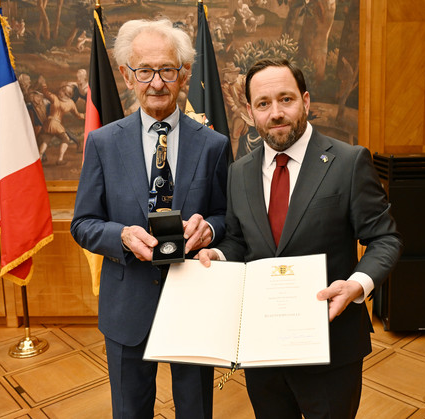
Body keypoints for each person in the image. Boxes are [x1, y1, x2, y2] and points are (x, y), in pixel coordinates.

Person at [198, 58, 402, 418]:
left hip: (330, 346)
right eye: (263, 104)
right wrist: (220, 257)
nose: (276, 112)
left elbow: (385, 239)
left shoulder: (348, 162)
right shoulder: (238, 172)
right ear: (250, 112)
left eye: (286, 99)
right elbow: (239, 243)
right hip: (262, 350)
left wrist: (357, 286)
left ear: (306, 101)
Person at [70, 19, 229, 419]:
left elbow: (229, 216)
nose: (156, 83)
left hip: (193, 302)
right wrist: (121, 236)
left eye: (167, 70)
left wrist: (210, 228)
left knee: (196, 411)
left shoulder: (214, 145)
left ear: (184, 75)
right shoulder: (103, 143)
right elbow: (83, 223)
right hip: (127, 307)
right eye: (144, 71)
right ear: (127, 76)